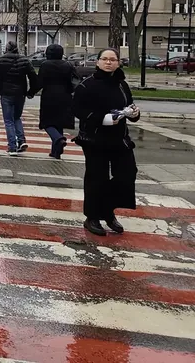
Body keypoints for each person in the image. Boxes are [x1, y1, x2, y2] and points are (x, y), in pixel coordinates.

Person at [72, 48, 140, 236]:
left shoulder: (122, 85)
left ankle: (107, 210)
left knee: (127, 175)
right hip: (95, 139)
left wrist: (134, 113)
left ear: (118, 62)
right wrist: (102, 118)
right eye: (105, 59)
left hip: (120, 139)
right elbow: (77, 109)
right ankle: (92, 217)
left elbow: (129, 105)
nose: (108, 62)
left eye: (113, 59)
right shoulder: (88, 85)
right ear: (98, 62)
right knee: (97, 178)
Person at [0, 41, 38, 155]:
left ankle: (12, 146)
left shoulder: (0, 60)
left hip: (6, 93)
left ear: (6, 49)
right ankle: (22, 140)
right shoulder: (24, 60)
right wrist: (31, 92)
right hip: (20, 93)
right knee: (17, 117)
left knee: (8, 120)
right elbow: (33, 77)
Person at [34, 44, 77, 159]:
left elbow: (40, 82)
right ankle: (56, 152)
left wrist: (30, 92)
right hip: (65, 97)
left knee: (47, 123)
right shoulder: (68, 65)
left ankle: (58, 139)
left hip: (49, 96)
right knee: (59, 123)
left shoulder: (45, 65)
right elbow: (74, 81)